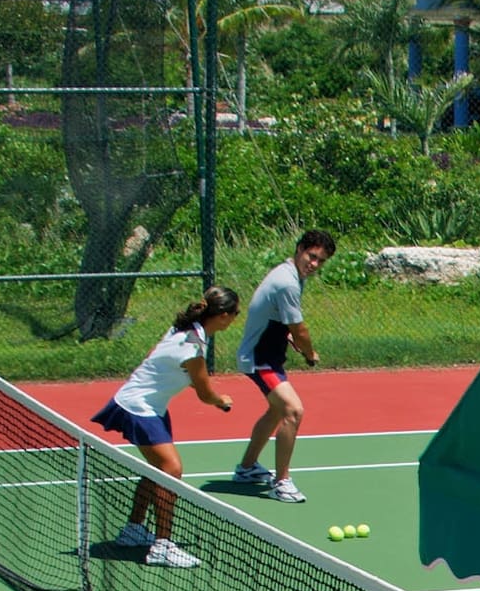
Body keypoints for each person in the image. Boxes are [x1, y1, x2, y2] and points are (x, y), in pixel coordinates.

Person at [91, 286, 241, 568]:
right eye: (235, 313)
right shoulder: (193, 346)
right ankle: (162, 546)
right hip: (139, 408)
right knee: (171, 470)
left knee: (159, 469)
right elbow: (205, 394)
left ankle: (134, 529)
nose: (235, 318)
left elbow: (153, 354)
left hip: (150, 406)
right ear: (222, 316)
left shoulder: (185, 329)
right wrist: (222, 401)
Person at [230, 229, 336, 503]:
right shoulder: (288, 282)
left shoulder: (291, 275)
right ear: (299, 249)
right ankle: (282, 482)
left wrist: (285, 335)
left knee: (277, 411)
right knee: (293, 410)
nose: (313, 264)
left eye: (320, 261)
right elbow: (299, 328)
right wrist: (310, 353)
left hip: (268, 355)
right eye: (311, 256)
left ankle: (247, 468)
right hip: (259, 358)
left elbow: (276, 316)